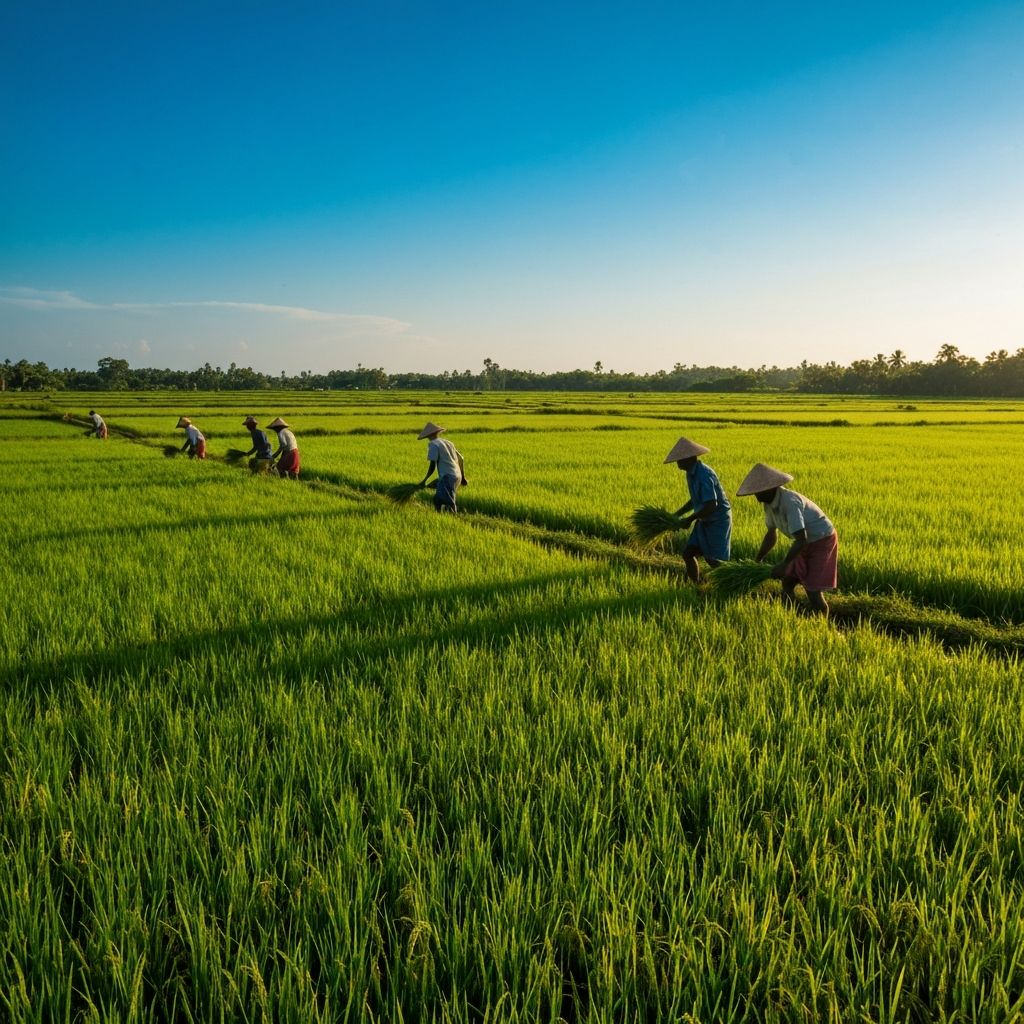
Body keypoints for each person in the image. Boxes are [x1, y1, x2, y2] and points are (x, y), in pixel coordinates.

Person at [736, 463, 838, 616]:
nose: (755, 496)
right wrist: (758, 559)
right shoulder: (768, 504)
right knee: (788, 581)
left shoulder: (789, 502)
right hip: (804, 542)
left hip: (822, 540)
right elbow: (771, 534)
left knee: (813, 590)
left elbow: (801, 539)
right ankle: (792, 616)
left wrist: (784, 564)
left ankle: (823, 623)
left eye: (758, 491)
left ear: (769, 488)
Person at [664, 436, 732, 583]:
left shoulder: (703, 475)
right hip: (704, 518)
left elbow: (711, 504)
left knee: (716, 562)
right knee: (688, 553)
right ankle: (697, 585)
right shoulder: (690, 473)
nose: (678, 462)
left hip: (717, 520)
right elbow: (696, 499)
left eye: (680, 459)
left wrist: (689, 519)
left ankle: (725, 589)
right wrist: (677, 515)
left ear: (689, 458)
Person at [417, 421, 466, 512]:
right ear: (437, 432)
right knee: (438, 500)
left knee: (448, 502)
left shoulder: (433, 444)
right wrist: (463, 477)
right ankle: (441, 516)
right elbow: (461, 458)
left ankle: (453, 517)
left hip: (447, 477)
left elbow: (433, 465)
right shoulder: (448, 442)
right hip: (456, 476)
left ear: (428, 435)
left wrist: (424, 480)